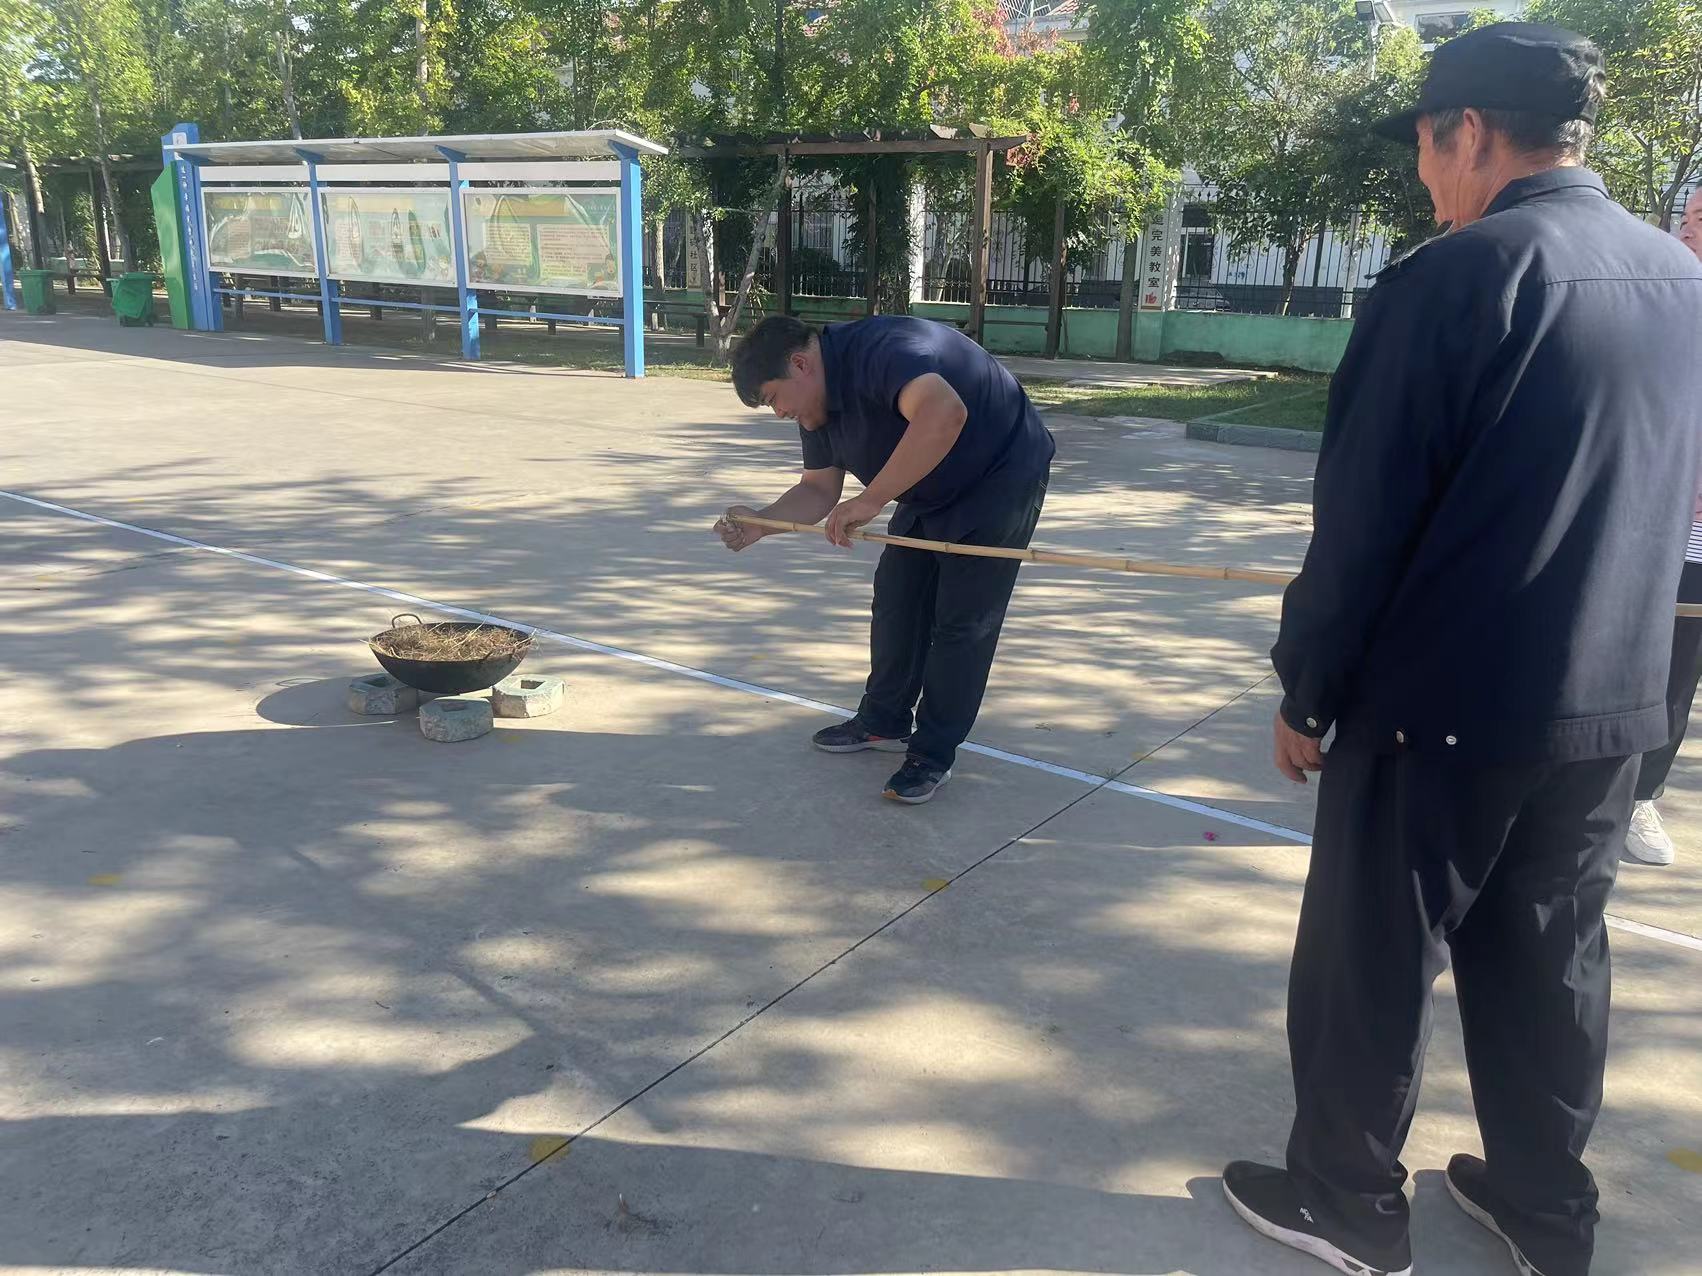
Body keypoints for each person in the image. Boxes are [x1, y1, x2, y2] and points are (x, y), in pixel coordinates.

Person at [1220, 24, 1702, 1276]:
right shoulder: (1678, 279)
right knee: (1550, 957)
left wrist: (1307, 689)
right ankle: (1546, 1210)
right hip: (1614, 702)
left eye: (1428, 149)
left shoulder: (1454, 277)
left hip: (1438, 709)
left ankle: (1347, 1203)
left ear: (1471, 132)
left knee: (1371, 962)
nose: (1426, 178)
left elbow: (1363, 521)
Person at [716, 315, 1054, 804]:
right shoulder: (816, 407)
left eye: (773, 399)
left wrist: (872, 499)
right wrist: (761, 524)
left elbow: (944, 413)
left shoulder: (884, 352)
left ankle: (932, 753)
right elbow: (819, 490)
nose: (779, 413)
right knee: (897, 599)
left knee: (961, 622)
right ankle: (884, 720)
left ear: (800, 364)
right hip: (928, 483)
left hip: (1001, 475)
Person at [1623, 183, 1702, 866]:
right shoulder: (1657, 297)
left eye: (1701, 219)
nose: (1688, 229)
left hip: (1695, 542)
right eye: (1688, 216)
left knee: (1677, 673)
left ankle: (1640, 794)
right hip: (1640, 520)